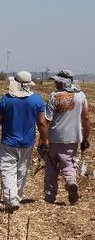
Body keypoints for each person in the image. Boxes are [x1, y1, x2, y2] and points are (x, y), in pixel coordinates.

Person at [0, 71, 48, 211]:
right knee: (22, 171)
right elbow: (42, 123)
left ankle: (12, 200)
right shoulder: (37, 100)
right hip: (27, 143)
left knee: (6, 170)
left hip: (8, 143)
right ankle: (16, 198)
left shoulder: (6, 99)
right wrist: (44, 140)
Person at [44, 70, 90, 204]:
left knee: (51, 166)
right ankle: (70, 182)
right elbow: (86, 117)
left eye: (57, 81)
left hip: (54, 136)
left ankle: (49, 196)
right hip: (72, 137)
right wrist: (86, 137)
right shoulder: (81, 96)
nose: (55, 83)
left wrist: (43, 138)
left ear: (62, 82)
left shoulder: (54, 96)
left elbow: (47, 119)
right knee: (69, 163)